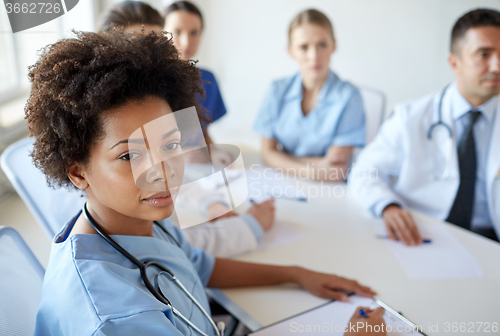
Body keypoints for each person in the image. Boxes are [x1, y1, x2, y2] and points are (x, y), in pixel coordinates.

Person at [30, 30, 385, 335]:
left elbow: (193, 265)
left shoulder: (135, 219)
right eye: (128, 156)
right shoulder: (115, 319)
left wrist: (297, 273)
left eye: (170, 144)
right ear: (77, 172)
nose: (163, 170)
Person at [97, 0, 275, 258]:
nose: (152, 63)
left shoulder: (151, 108)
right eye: (137, 51)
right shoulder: (112, 135)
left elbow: (169, 171)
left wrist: (211, 204)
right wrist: (251, 226)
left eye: (157, 48)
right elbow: (169, 248)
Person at [349, 8, 500, 245]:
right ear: (455, 63)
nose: (496, 66)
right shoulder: (410, 117)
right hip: (425, 233)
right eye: (484, 55)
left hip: (490, 242)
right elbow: (363, 172)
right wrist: (387, 206)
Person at [254, 9, 366, 182]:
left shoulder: (349, 97)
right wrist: (314, 169)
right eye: (303, 47)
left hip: (331, 192)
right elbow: (266, 152)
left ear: (333, 45)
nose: (314, 56)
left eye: (322, 44)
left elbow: (335, 171)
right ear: (291, 51)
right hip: (283, 183)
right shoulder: (277, 90)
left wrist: (282, 156)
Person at [163, 0, 226, 148]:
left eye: (194, 33)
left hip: (196, 165)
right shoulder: (146, 80)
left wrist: (215, 153)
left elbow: (202, 133)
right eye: (177, 32)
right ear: (161, 33)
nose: (186, 42)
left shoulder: (207, 80)